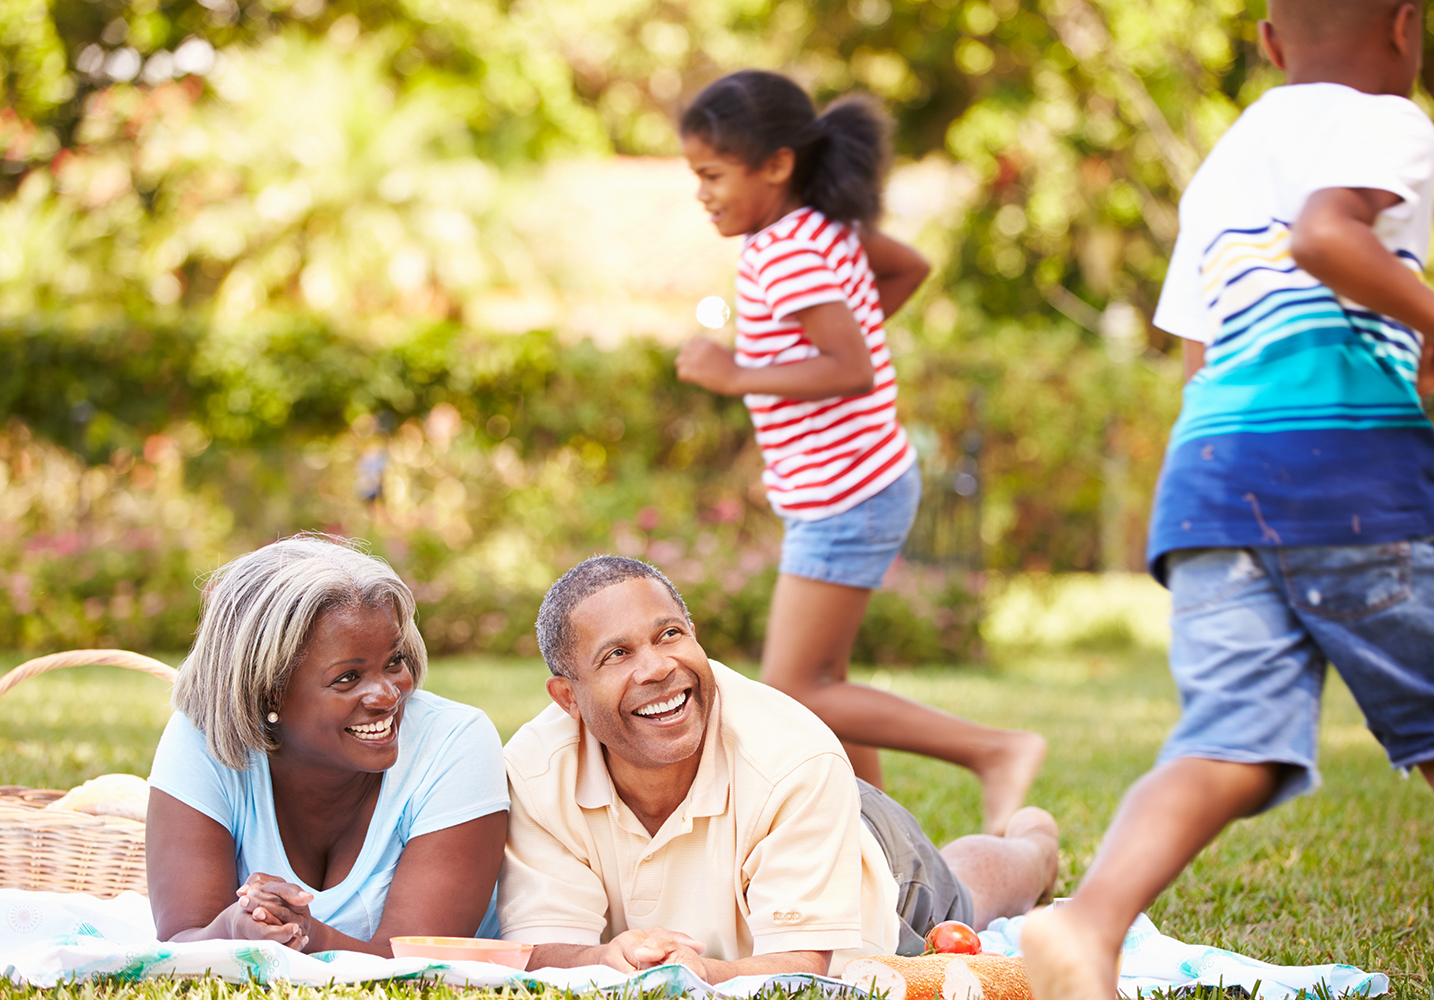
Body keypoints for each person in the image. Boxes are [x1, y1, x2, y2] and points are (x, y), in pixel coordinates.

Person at [1021, 3, 1434, 997]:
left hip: (1213, 481)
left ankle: (1087, 925)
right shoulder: (1391, 117)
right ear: (1405, 24)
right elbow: (1325, 238)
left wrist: (1403, 359)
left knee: (1232, 743)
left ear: (1267, 43)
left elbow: (1204, 354)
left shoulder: (1224, 162)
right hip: (1345, 477)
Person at [673, 69, 1045, 834]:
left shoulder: (785, 250)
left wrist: (733, 372)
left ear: (775, 164)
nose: (702, 194)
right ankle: (882, 835)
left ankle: (995, 751)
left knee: (798, 686)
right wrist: (854, 333)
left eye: (712, 175)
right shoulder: (821, 227)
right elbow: (908, 268)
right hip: (853, 480)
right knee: (824, 682)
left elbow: (850, 366)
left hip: (847, 493)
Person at [497, 555, 1059, 983]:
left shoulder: (792, 754)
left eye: (670, 634)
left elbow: (801, 970)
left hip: (867, 851)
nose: (657, 667)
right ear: (567, 698)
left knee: (970, 894)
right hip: (788, 816)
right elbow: (543, 948)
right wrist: (599, 958)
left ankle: (1036, 842)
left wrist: (692, 976)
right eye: (616, 655)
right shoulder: (534, 772)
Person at [146, 534, 509, 956]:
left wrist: (306, 936)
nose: (389, 696)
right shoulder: (203, 738)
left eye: (395, 661)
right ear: (266, 693)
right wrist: (233, 928)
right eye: (348, 678)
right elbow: (179, 944)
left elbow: (417, 967)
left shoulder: (454, 744)